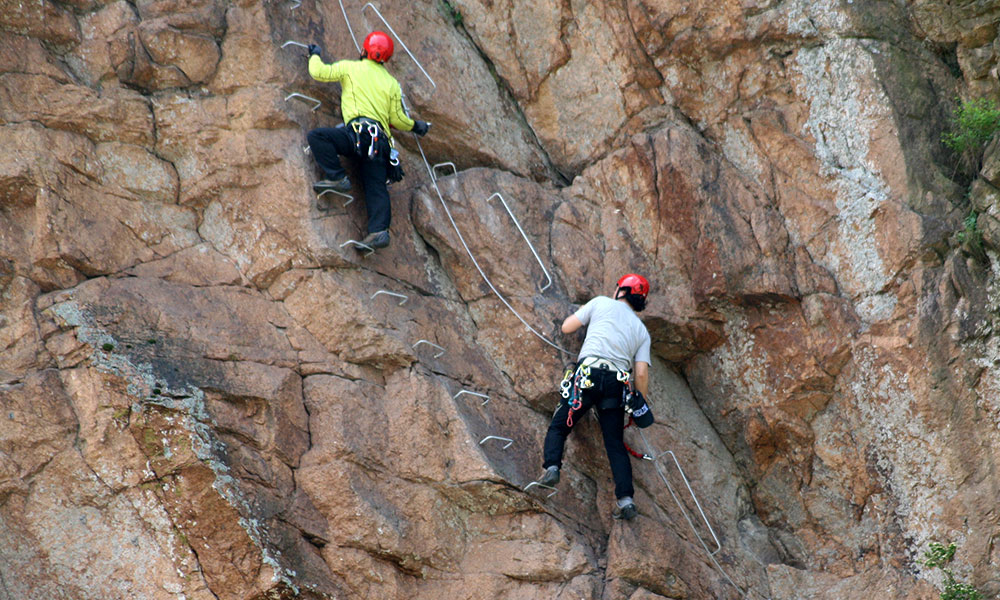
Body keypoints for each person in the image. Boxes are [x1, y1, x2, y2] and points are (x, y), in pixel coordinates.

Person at [538, 273, 653, 520]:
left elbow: (567, 327)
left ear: (621, 290)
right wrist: (638, 402)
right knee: (614, 444)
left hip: (587, 375)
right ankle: (625, 500)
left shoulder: (600, 302)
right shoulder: (642, 331)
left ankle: (552, 468)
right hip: (617, 383)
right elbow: (641, 372)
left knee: (560, 425)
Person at [304, 31, 431, 250]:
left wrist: (315, 55)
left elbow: (318, 72)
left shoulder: (351, 68)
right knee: (376, 186)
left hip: (357, 135)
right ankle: (379, 231)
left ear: (364, 50)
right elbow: (398, 119)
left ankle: (337, 177)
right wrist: (416, 126)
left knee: (319, 137)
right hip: (380, 144)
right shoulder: (391, 83)